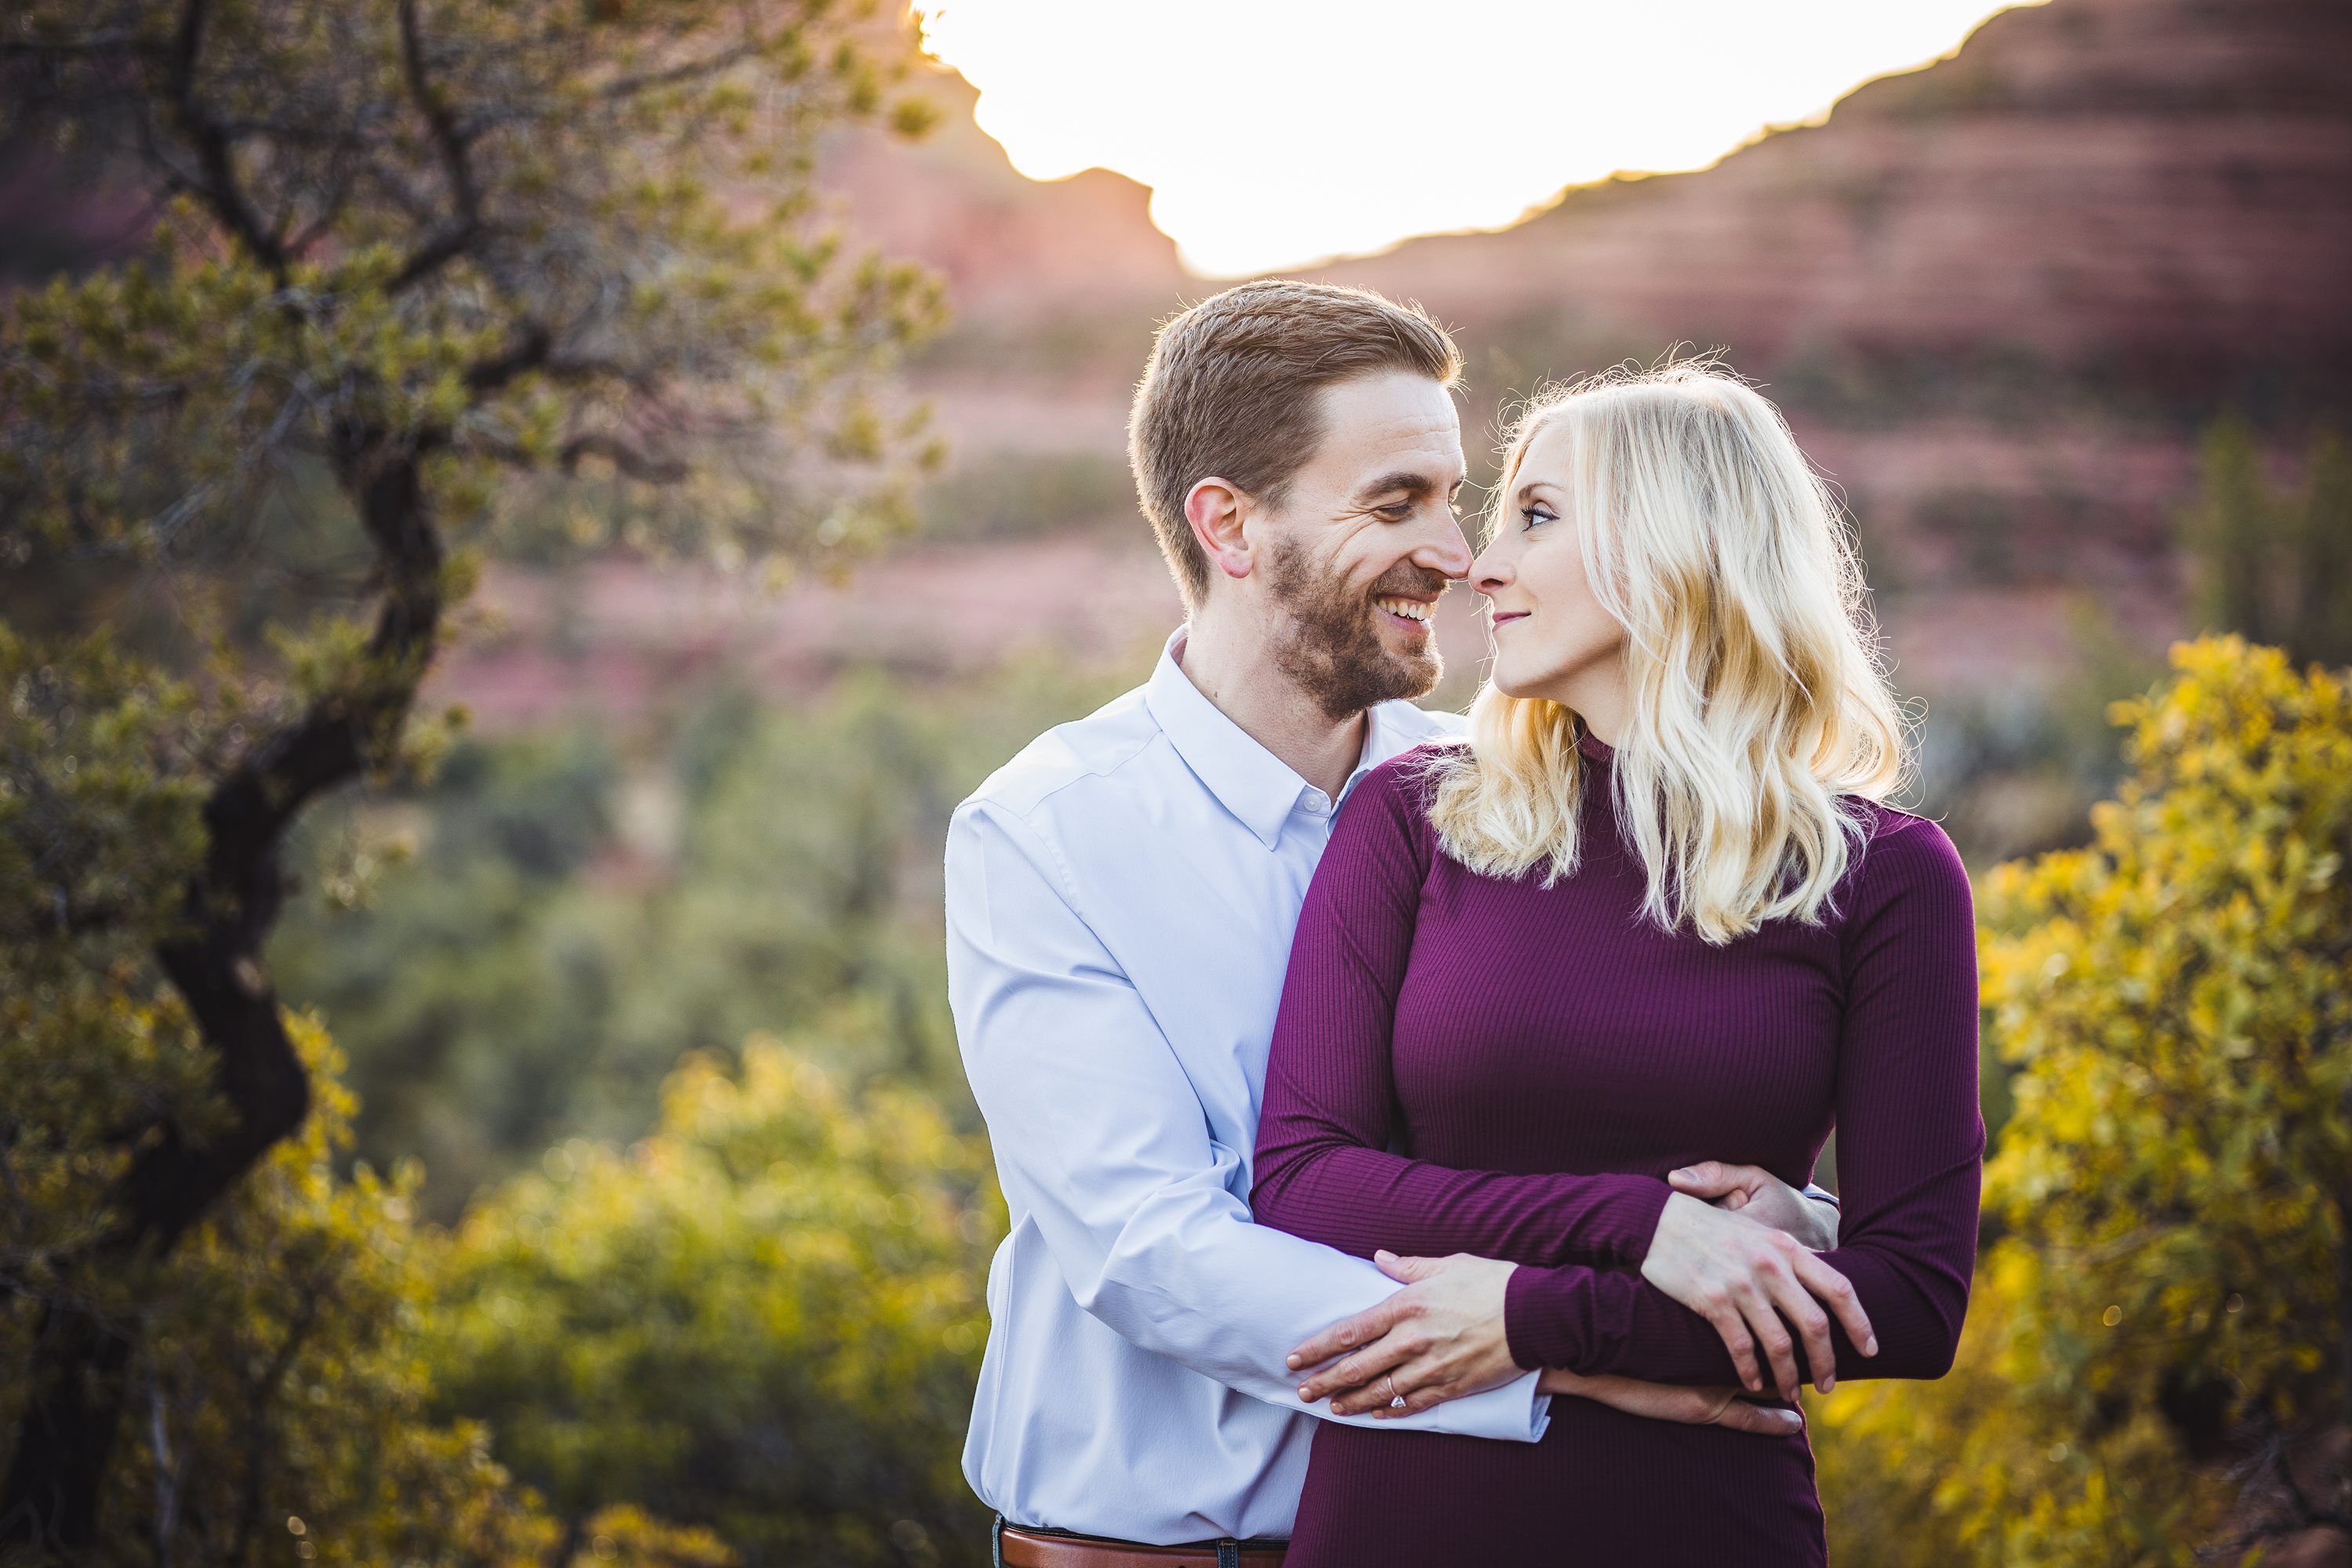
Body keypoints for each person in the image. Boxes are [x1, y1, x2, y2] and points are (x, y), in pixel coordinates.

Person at [946, 286, 1853, 1568]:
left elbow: (1597, 1113)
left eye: (1458, 498)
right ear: (1230, 527)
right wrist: (1555, 1355)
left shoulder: (1509, 789)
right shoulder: (1044, 833)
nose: (1460, 554)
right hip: (1163, 1554)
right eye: (1394, 504)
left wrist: (1792, 1223)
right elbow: (1154, 1253)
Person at [1247, 360, 1985, 1566]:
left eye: (1536, 517)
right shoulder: (1412, 820)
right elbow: (1306, 1176)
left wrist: (1538, 1318)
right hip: (1406, 1514)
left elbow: (1910, 1302)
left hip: (1702, 1524)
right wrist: (1642, 1225)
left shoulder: (1885, 877)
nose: (1480, 566)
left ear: (1678, 546)